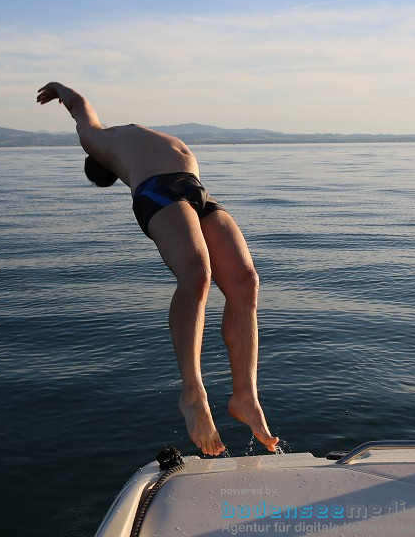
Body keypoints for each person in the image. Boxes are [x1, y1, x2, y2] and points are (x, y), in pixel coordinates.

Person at [36, 82, 278, 455]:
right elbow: (79, 105)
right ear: (100, 161)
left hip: (196, 190)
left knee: (245, 281)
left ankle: (245, 397)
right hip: (158, 192)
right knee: (197, 273)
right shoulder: (95, 139)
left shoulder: (114, 137)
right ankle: (192, 392)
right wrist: (57, 88)